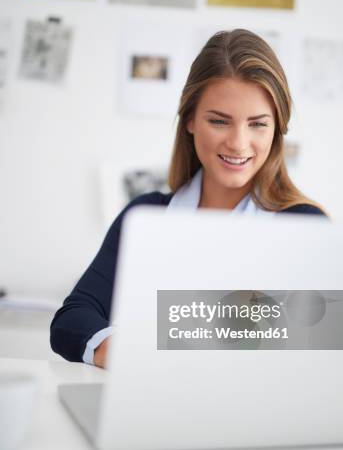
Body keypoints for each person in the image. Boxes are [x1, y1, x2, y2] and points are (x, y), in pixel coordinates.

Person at [50, 28, 326, 368]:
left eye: (257, 124)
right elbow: (72, 319)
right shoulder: (146, 216)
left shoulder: (304, 226)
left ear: (277, 129)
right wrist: (125, 353)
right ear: (191, 119)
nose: (239, 143)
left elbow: (325, 336)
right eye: (219, 121)